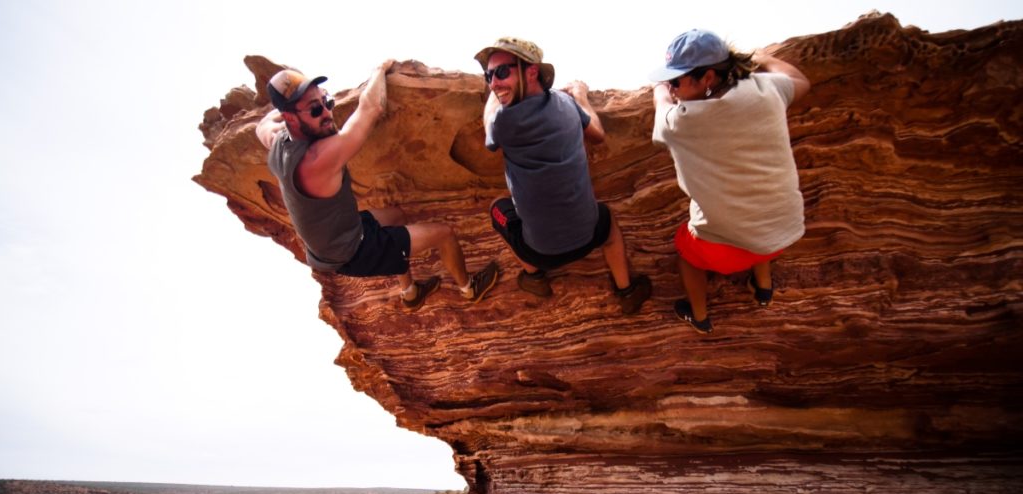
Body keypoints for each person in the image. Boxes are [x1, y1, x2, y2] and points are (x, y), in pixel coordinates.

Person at [256, 62, 498, 310]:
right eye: (315, 110)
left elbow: (261, 125)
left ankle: (410, 292)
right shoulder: (318, 159)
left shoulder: (278, 143)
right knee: (444, 234)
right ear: (290, 118)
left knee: (396, 215)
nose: (328, 113)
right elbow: (372, 107)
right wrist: (379, 70)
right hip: (355, 251)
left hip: (339, 237)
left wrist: (296, 111)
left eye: (326, 102)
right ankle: (469, 288)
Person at [650, 29, 811, 334]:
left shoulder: (681, 121)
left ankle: (699, 317)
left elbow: (661, 106)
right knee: (754, 211)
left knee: (685, 249)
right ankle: (762, 288)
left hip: (725, 249)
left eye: (676, 80)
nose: (672, 88)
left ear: (708, 77)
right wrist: (761, 57)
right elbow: (802, 82)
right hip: (783, 232)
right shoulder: (764, 89)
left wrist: (658, 89)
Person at [475, 37, 652, 315]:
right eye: (488, 75)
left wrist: (494, 95)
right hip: (590, 234)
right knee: (609, 224)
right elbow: (597, 134)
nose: (494, 83)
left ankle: (534, 277)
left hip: (539, 251)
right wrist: (580, 95)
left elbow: (488, 123)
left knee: (497, 209)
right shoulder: (565, 104)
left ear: (531, 71)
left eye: (502, 72)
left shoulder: (503, 122)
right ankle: (626, 290)